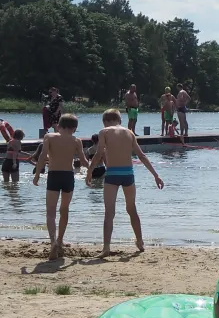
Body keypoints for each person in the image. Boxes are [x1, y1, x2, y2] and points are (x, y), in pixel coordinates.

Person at [86, 109, 164, 256]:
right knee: (131, 209)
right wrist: (156, 175)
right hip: (128, 174)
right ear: (119, 120)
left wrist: (89, 171)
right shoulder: (129, 132)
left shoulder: (104, 131)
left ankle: (106, 247)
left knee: (109, 213)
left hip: (112, 174)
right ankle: (140, 242)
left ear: (105, 121)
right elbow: (141, 155)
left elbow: (98, 153)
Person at [31, 113, 86, 260]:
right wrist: (90, 172)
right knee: (64, 209)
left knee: (50, 212)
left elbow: (42, 157)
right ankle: (61, 239)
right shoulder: (76, 140)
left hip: (54, 175)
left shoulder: (49, 137)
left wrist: (37, 175)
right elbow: (83, 160)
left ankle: (53, 241)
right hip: (68, 176)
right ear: (75, 128)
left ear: (59, 126)